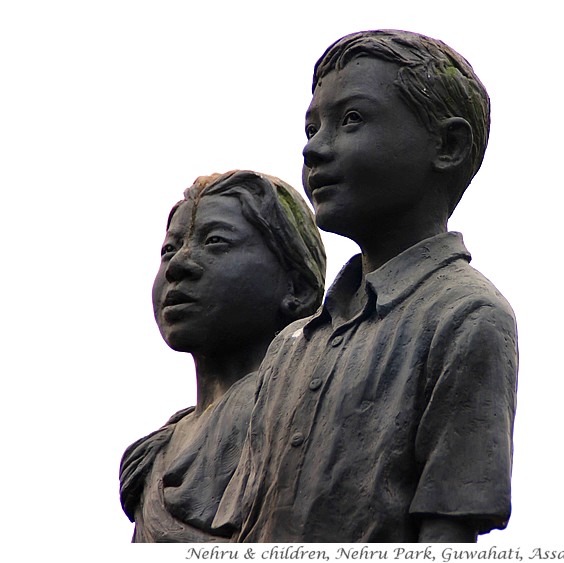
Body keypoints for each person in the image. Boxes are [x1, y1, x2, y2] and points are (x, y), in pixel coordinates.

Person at [214, 30, 518, 543]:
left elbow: (447, 531)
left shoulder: (466, 315)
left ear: (447, 145)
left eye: (350, 120)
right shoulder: (292, 345)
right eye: (311, 127)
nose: (313, 148)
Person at [119, 170, 326, 542]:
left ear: (297, 288)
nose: (179, 264)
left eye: (215, 242)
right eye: (169, 249)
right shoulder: (152, 458)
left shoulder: (309, 410)